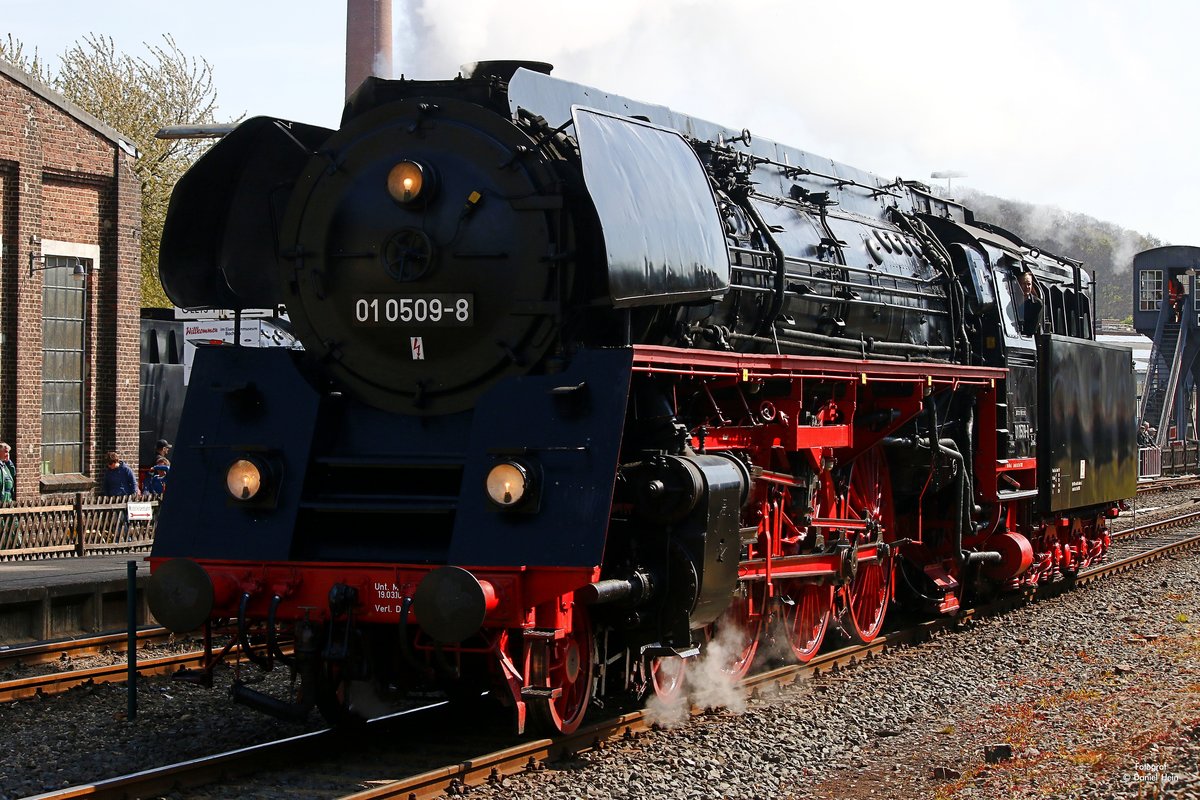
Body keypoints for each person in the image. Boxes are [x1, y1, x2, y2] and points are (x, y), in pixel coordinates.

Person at [1016, 270, 1044, 335]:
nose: (1027, 287)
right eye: (1024, 284)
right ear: (1018, 284)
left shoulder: (1036, 304)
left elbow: (1031, 329)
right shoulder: (1009, 303)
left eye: (1029, 284)